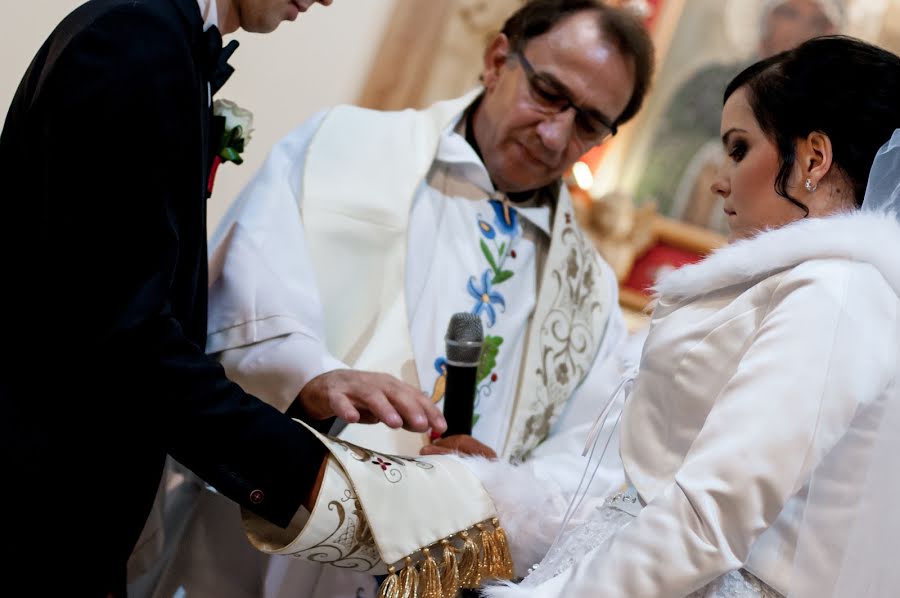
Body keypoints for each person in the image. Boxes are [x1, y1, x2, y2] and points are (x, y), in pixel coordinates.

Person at [146, 1, 655, 596]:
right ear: (497, 60)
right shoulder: (345, 144)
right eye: (547, 93)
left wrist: (496, 490)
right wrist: (316, 377)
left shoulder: (589, 295)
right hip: (262, 533)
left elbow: (588, 461)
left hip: (424, 571)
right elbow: (243, 305)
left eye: (590, 124)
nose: (555, 135)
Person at [0, 1, 447, 596]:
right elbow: (125, 337)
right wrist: (315, 481)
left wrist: (310, 391)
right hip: (39, 504)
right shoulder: (138, 39)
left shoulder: (165, 37)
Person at [478, 35, 900, 597]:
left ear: (814, 159)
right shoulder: (821, 284)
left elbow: (710, 514)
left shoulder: (836, 291)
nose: (719, 179)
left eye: (738, 148)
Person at [635, 0, 843, 232]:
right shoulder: (707, 85)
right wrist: (711, 163)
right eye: (790, 14)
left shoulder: (834, 117)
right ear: (765, 21)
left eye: (819, 21)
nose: (805, 29)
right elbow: (662, 155)